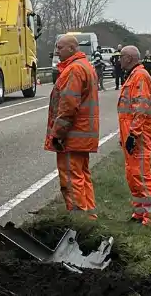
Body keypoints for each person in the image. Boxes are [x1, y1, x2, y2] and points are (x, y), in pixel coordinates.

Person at [44, 35, 100, 218]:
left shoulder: (74, 70)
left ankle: (79, 221)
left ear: (71, 49)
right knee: (83, 177)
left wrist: (58, 134)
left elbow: (68, 106)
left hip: (73, 136)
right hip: (83, 134)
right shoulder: (85, 66)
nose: (56, 52)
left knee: (71, 179)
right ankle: (90, 217)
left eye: (59, 48)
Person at [117, 45, 151, 226]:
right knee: (133, 174)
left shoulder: (140, 76)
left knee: (142, 174)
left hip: (140, 133)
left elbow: (140, 109)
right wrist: (125, 135)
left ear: (129, 58)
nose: (119, 60)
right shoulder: (134, 75)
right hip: (131, 131)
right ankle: (140, 213)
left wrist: (133, 134)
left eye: (121, 57)